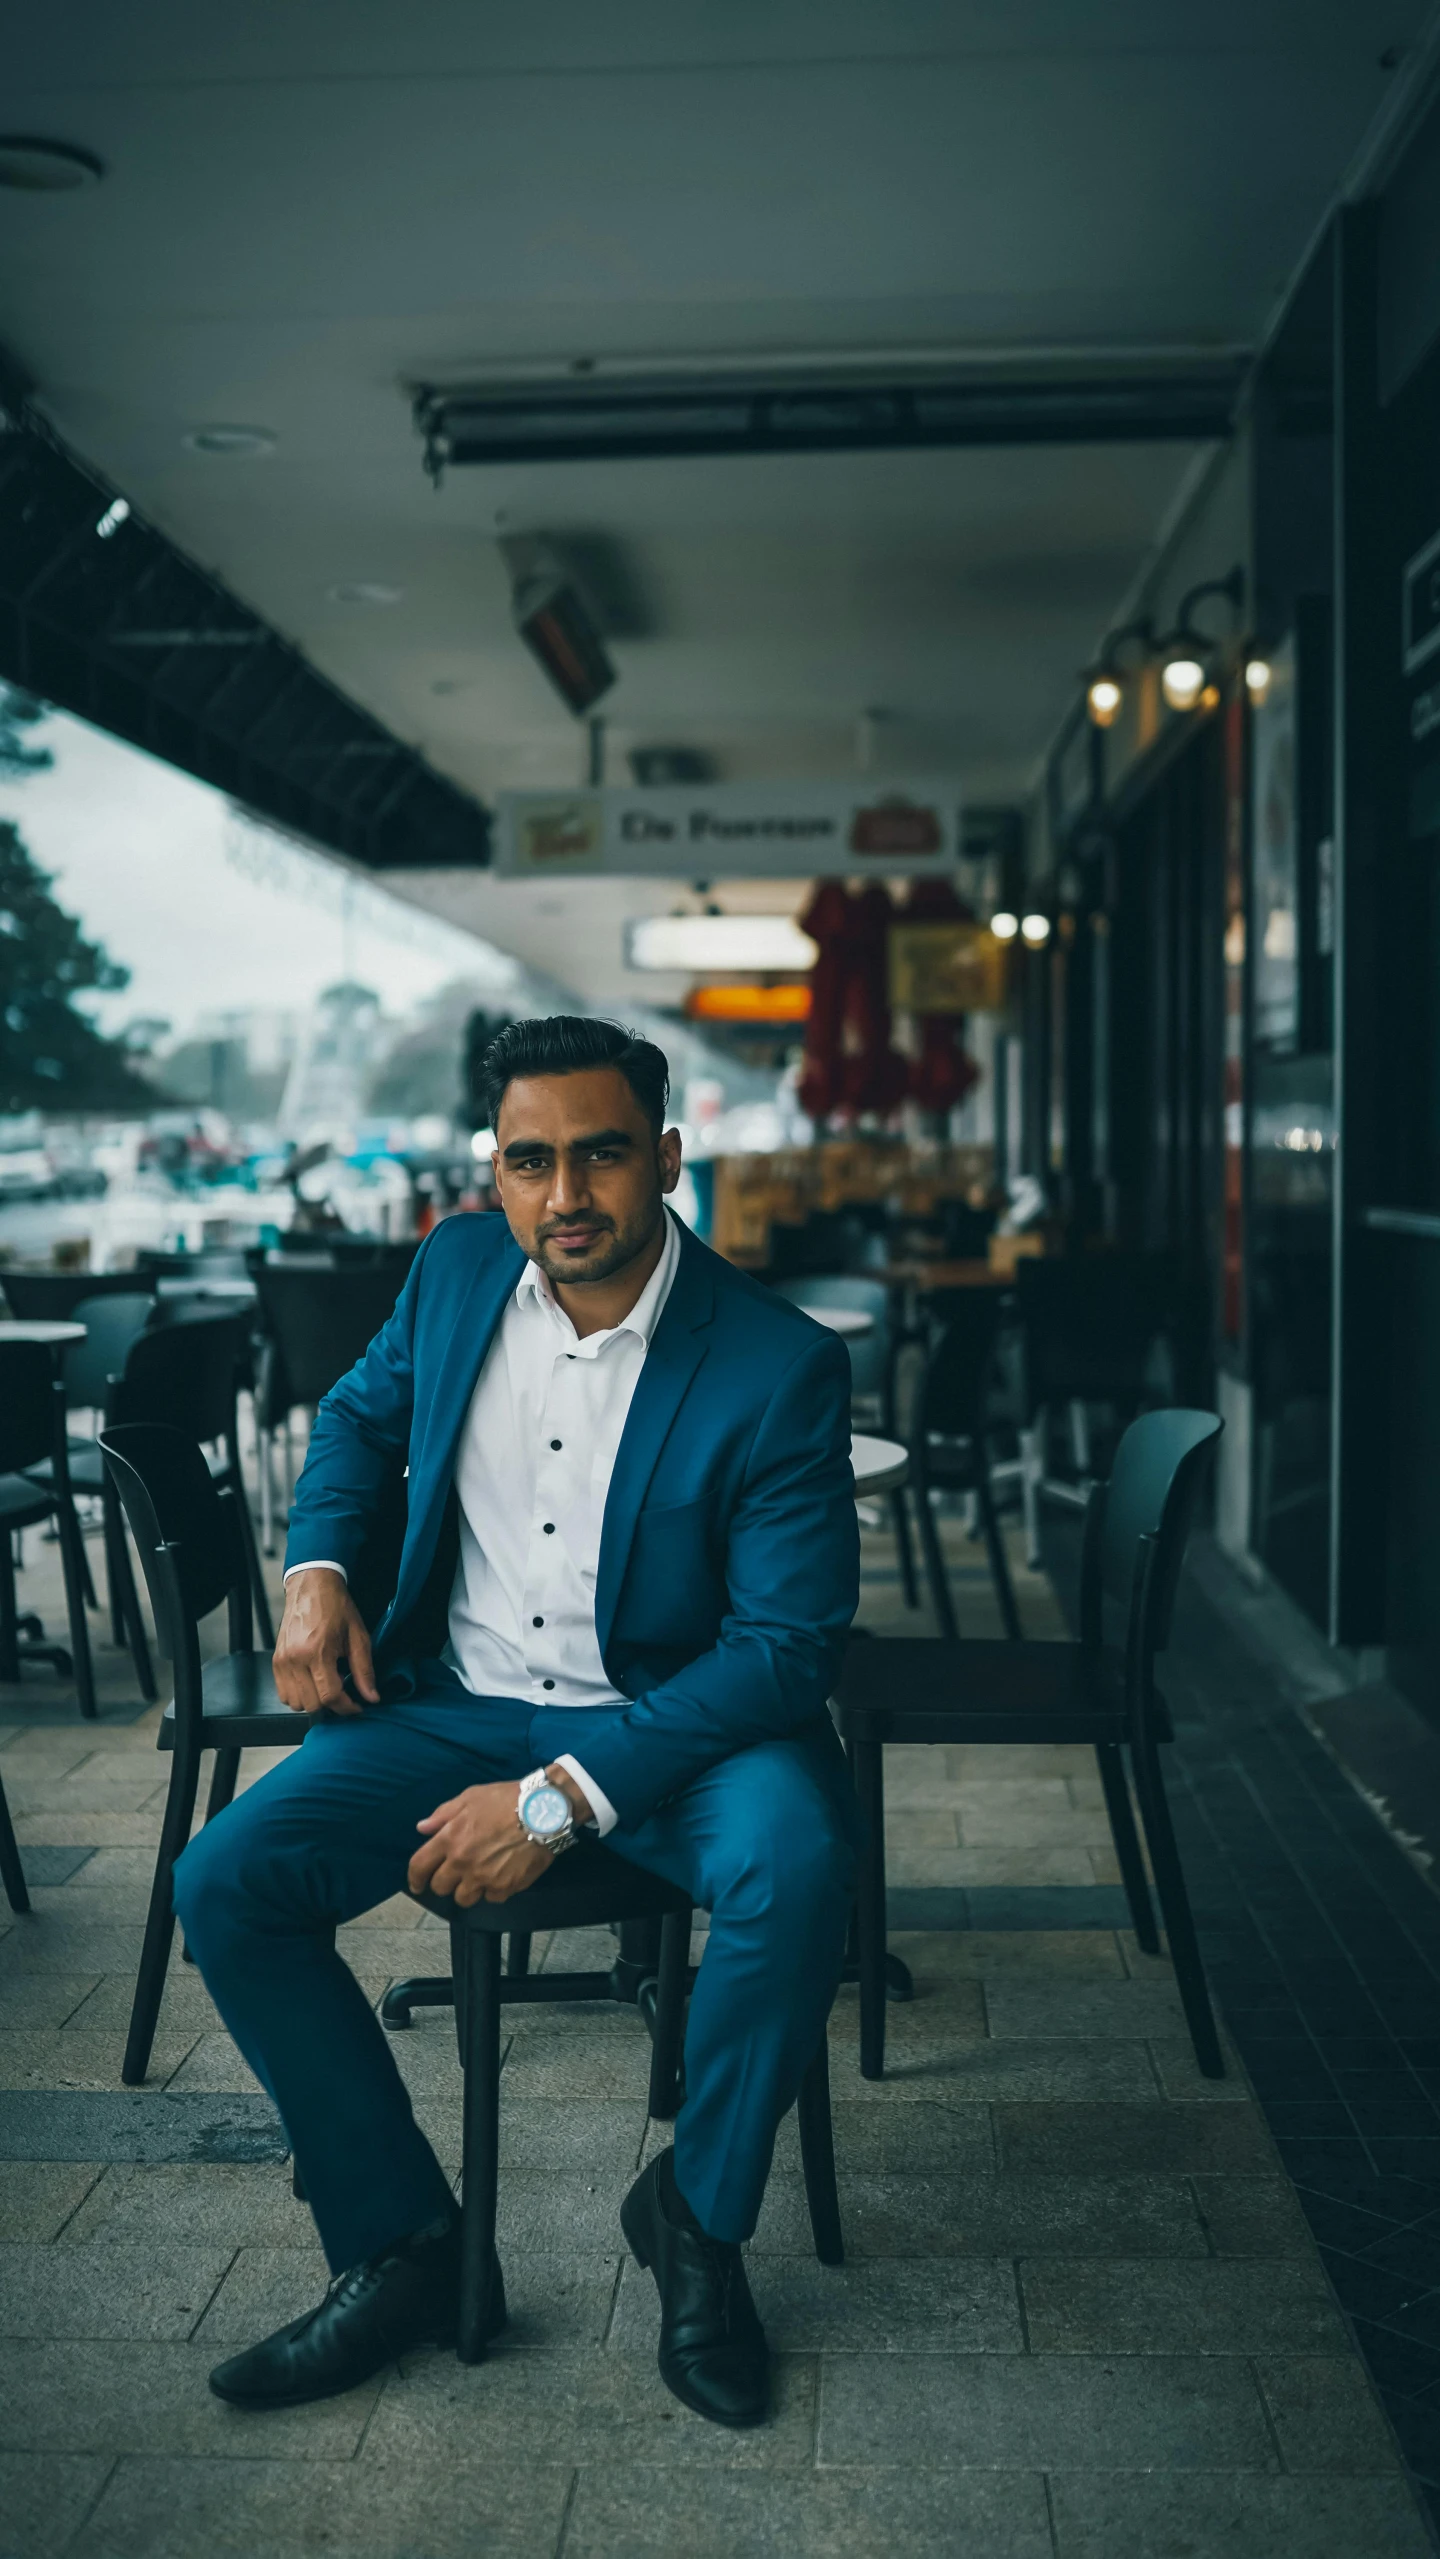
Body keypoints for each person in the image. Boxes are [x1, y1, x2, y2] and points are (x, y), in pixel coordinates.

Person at [174, 1014, 860, 2430]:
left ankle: (697, 2217)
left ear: (666, 1157)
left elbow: (786, 1652)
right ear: (494, 1171)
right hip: (455, 1699)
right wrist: (316, 1575)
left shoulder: (777, 1362)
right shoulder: (454, 1266)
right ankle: (407, 2245)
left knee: (796, 1868)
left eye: (602, 1153)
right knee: (225, 1880)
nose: (567, 1195)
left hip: (673, 1726)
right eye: (530, 1159)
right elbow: (359, 1421)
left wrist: (554, 1803)